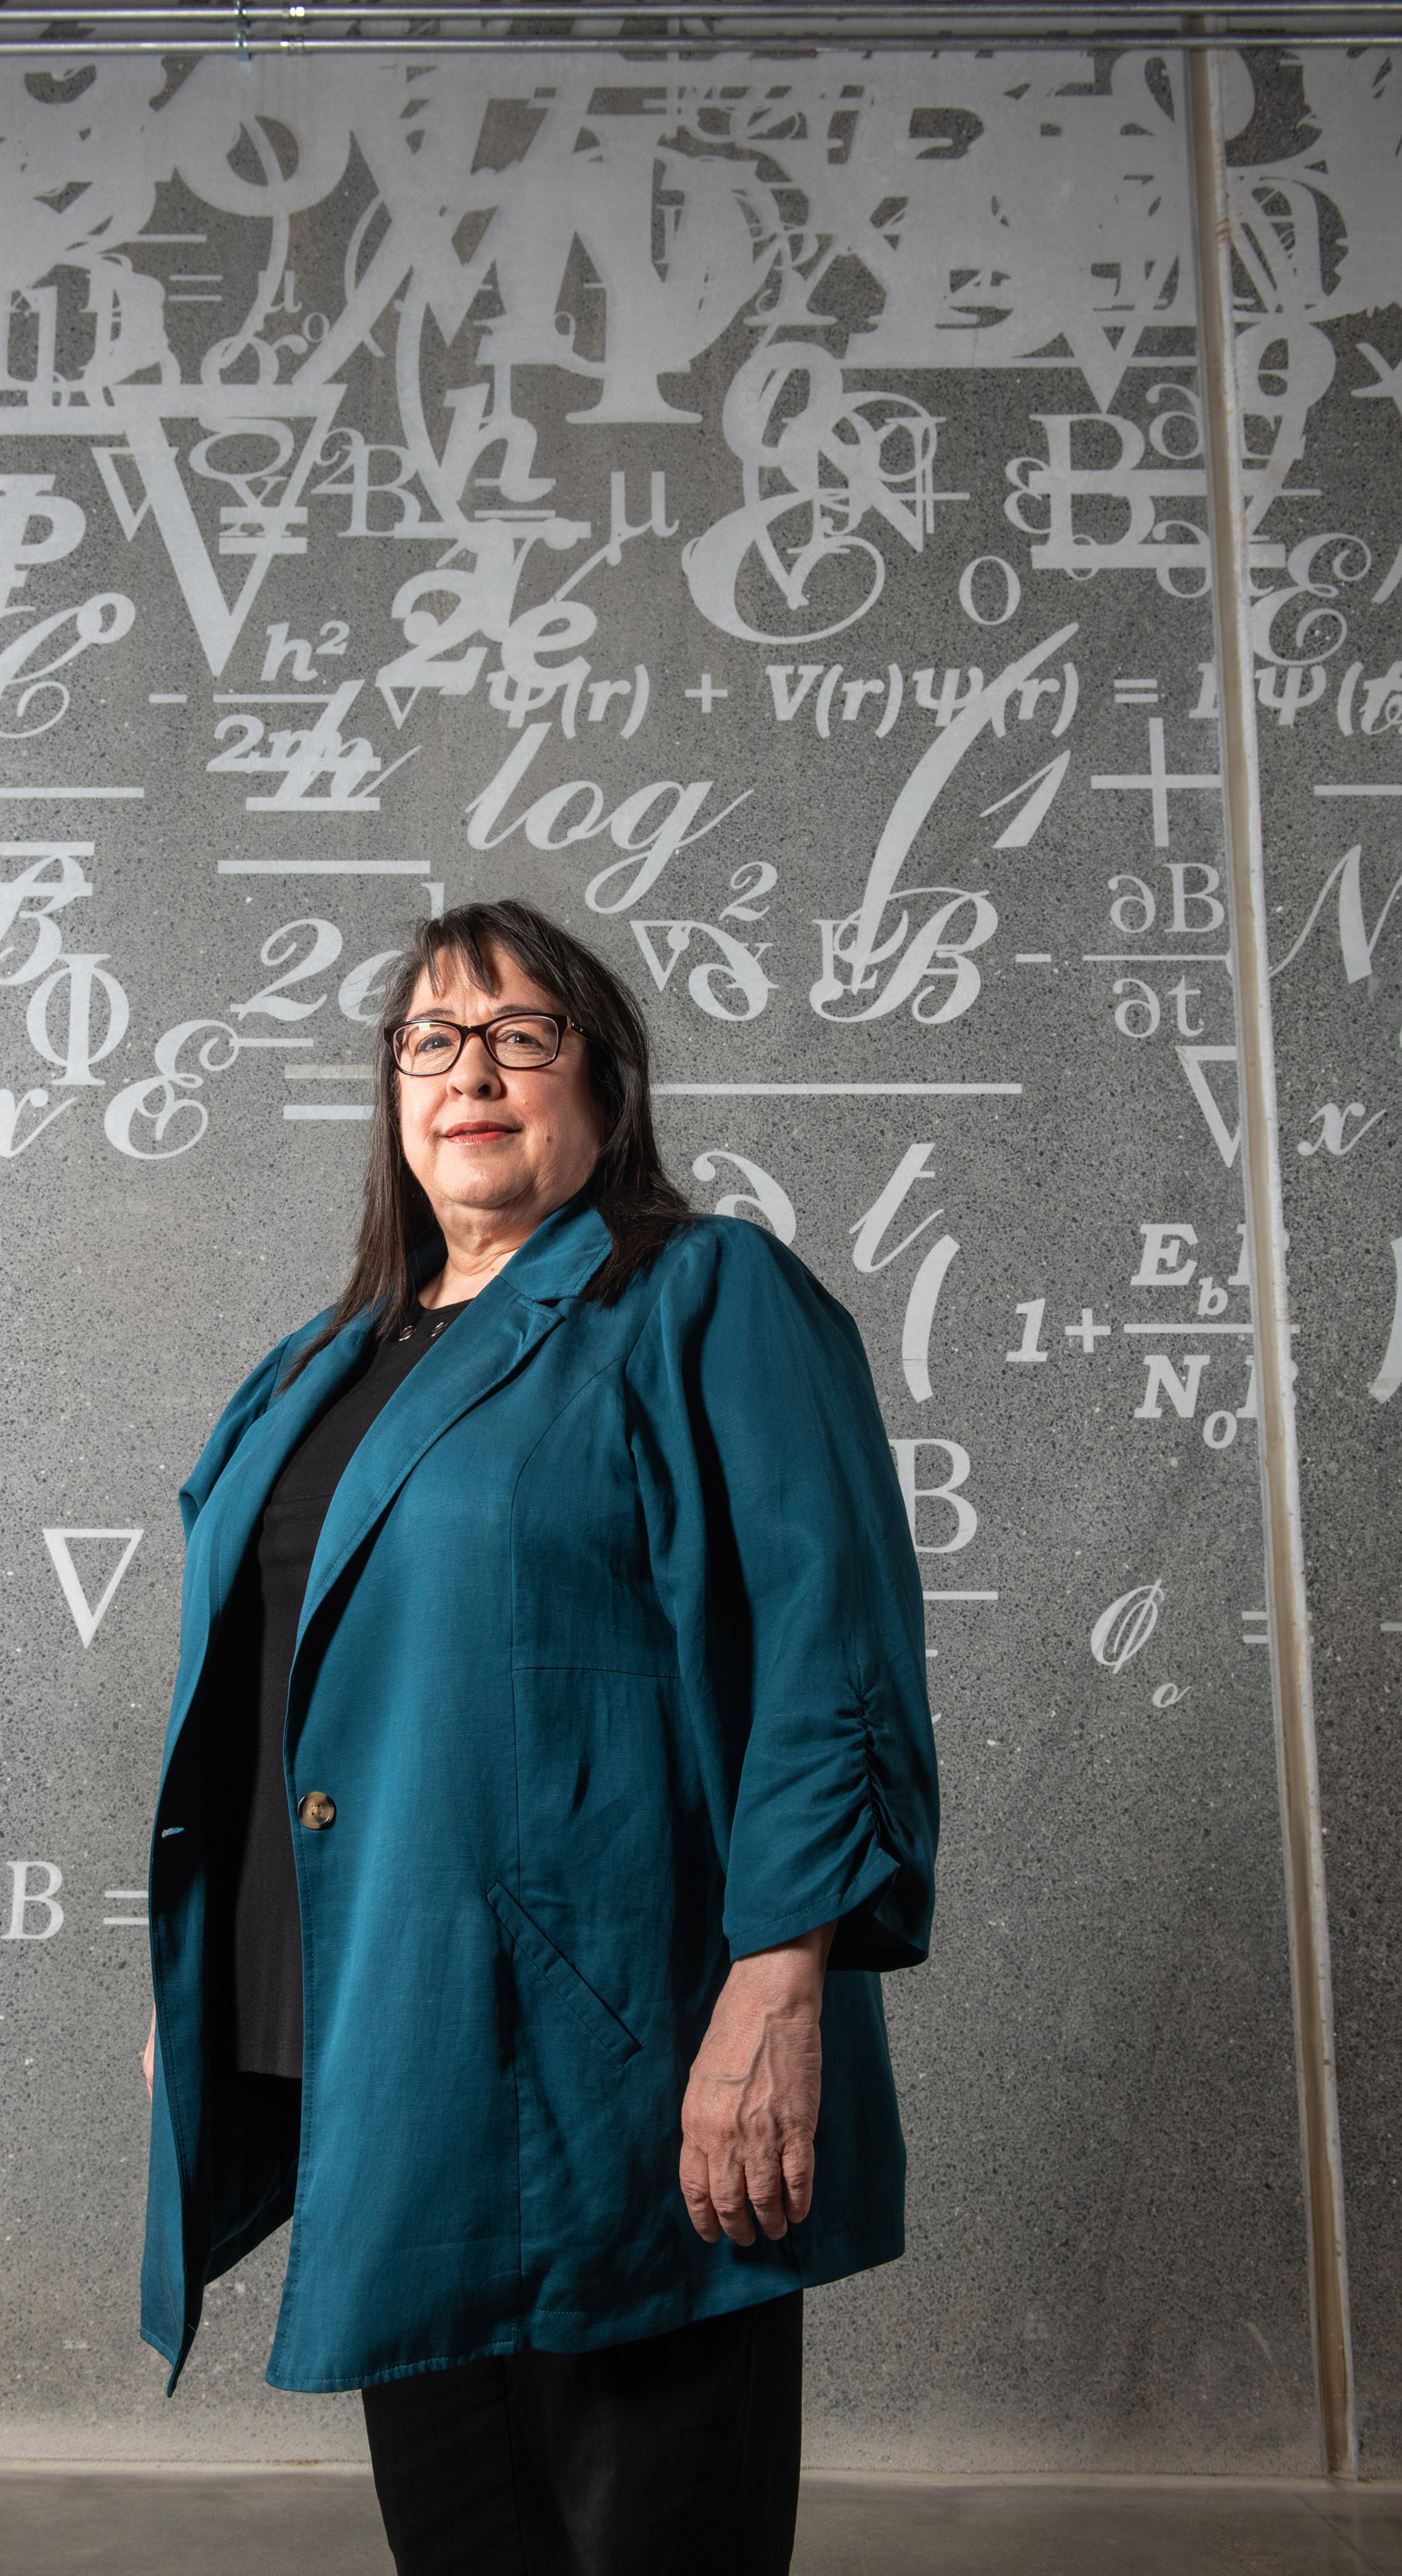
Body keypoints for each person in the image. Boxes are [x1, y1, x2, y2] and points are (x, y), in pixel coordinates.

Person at [140, 899, 938, 2575]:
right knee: (464, 2544)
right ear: (392, 1094)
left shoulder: (700, 1294)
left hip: (622, 2053)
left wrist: (778, 1984)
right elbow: (266, 1704)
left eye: (523, 1035)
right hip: (389, 2052)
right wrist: (207, 1978)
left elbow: (829, 1651)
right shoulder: (321, 1365)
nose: (471, 1072)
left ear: (607, 1084)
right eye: (431, 1039)